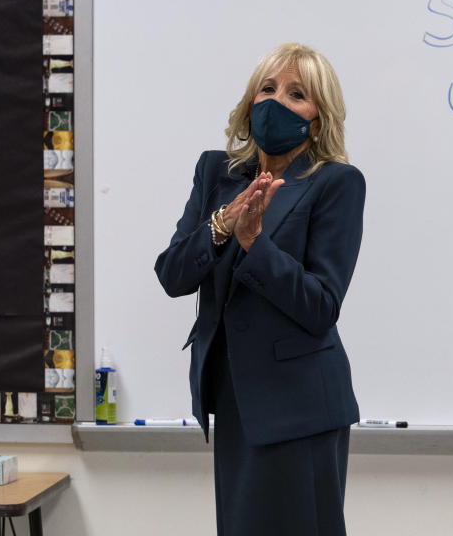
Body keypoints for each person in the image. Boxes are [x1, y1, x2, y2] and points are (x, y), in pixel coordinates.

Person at [154, 43, 365, 535]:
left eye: (297, 94)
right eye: (267, 89)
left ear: (318, 118)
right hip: (233, 401)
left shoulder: (337, 183)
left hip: (301, 407)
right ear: (250, 102)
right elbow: (172, 275)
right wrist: (221, 226)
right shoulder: (217, 173)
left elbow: (320, 306)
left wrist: (255, 242)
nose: (277, 102)